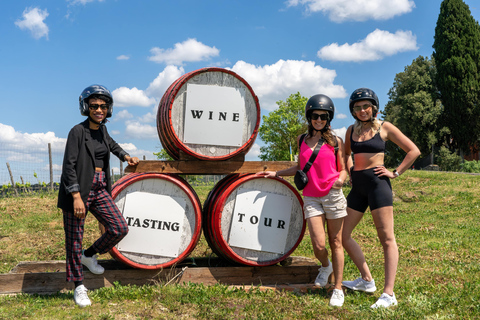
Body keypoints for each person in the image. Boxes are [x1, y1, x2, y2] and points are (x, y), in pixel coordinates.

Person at [257, 94, 348, 307]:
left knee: (336, 242)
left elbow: (343, 168)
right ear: (309, 116)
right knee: (318, 244)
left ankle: (338, 288)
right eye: (315, 115)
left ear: (329, 117)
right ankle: (326, 266)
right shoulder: (301, 140)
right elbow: (300, 167)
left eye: (323, 116)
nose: (319, 119)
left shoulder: (336, 141)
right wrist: (277, 174)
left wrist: (341, 180)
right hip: (311, 197)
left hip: (333, 195)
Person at [57, 84, 140, 307]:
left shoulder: (102, 130)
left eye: (103, 106)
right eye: (94, 105)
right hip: (79, 190)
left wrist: (125, 156)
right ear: (86, 107)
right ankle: (78, 287)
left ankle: (89, 254)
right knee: (74, 241)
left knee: (119, 227)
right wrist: (75, 196)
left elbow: (111, 145)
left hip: (100, 187)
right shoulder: (77, 131)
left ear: (108, 109)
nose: (99, 109)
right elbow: (69, 166)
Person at [342, 88, 420, 308]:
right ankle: (367, 280)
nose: (362, 110)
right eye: (357, 107)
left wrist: (395, 173)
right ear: (353, 110)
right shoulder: (350, 131)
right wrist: (350, 171)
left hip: (378, 186)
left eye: (366, 106)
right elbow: (346, 154)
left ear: (373, 107)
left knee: (387, 239)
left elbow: (413, 150)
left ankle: (389, 294)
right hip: (358, 188)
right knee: (341, 235)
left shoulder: (384, 127)